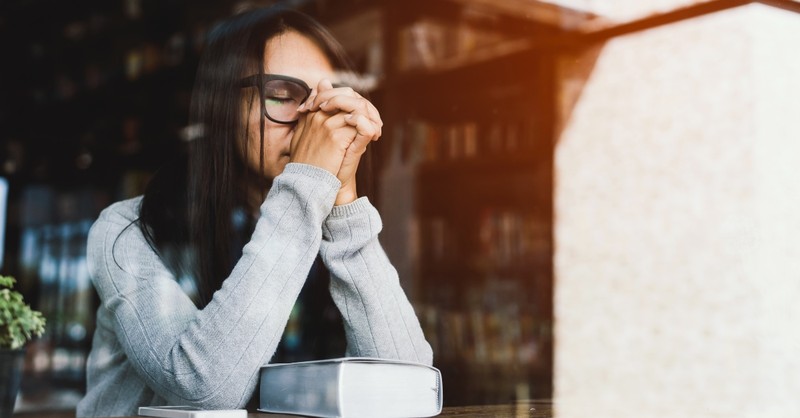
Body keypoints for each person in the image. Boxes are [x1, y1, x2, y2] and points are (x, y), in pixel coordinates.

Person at [77, 6, 433, 417]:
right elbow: (205, 389)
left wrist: (344, 207)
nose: (313, 124)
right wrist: (308, 183)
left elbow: (409, 388)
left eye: (328, 103)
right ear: (223, 108)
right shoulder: (125, 231)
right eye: (282, 96)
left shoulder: (316, 223)